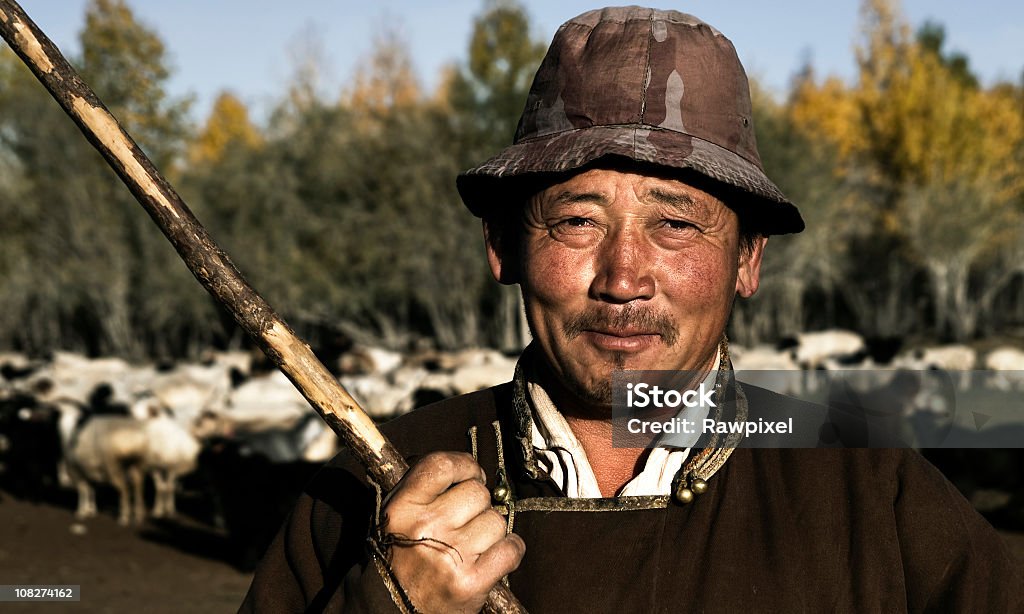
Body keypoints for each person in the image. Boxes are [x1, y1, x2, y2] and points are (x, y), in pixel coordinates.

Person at [240, 7, 1023, 613]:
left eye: (675, 224)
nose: (623, 277)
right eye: (577, 220)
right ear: (503, 248)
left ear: (747, 260)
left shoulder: (866, 486)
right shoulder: (375, 489)